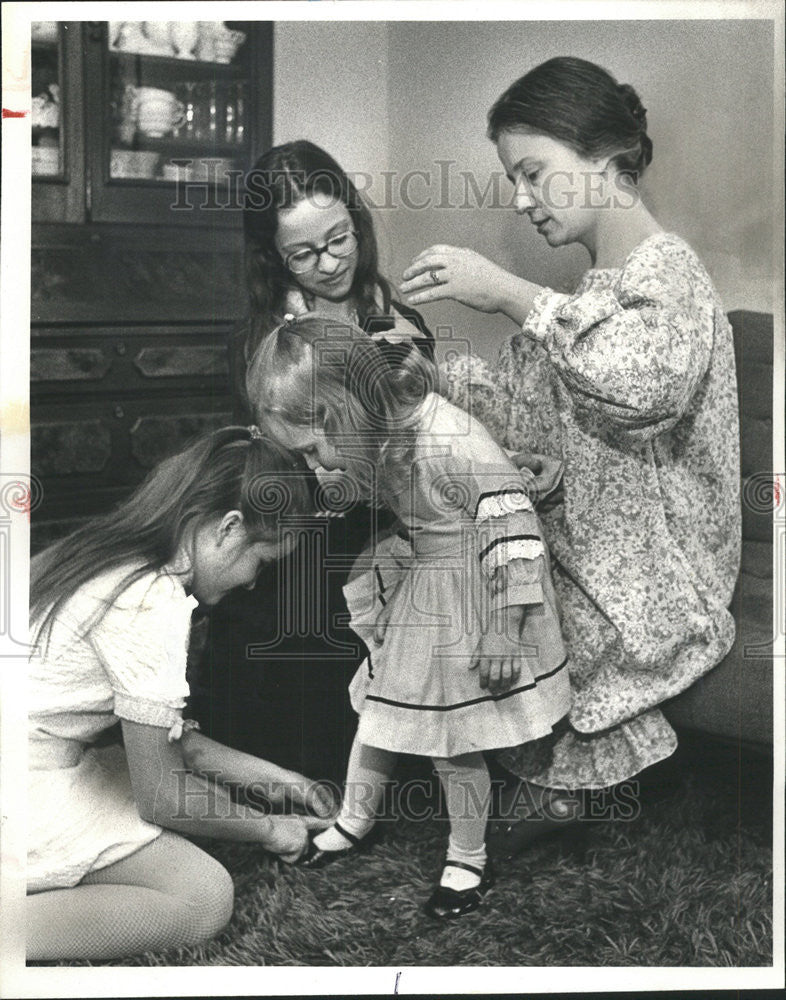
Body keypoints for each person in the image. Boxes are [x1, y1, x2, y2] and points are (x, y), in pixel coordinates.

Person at [400, 56, 741, 850]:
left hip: (665, 562)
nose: (520, 201)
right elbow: (528, 405)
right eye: (513, 179)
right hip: (604, 532)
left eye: (532, 173)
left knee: (515, 580)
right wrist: (429, 375)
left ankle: (567, 783)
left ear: (604, 158)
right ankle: (456, 753)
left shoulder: (671, 271)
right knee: (459, 562)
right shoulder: (588, 295)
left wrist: (507, 291)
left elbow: (641, 387)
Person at [247, 314, 571, 919]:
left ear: (345, 413)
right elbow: (381, 487)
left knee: (454, 739)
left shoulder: (451, 437)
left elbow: (515, 526)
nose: (320, 465)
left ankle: (468, 856)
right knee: (381, 706)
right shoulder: (380, 437)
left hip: (474, 591)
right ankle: (354, 818)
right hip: (427, 572)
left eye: (317, 448)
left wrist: (504, 626)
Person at [27, 427, 334, 961]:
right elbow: (163, 793)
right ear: (230, 528)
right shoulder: (152, 603)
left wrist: (285, 783)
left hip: (36, 750)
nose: (255, 582)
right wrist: (270, 829)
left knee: (122, 773)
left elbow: (171, 747)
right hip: (24, 777)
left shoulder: (104, 554)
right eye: (262, 562)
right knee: (202, 898)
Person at [191, 140, 435, 784]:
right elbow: (255, 471)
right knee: (274, 614)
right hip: (294, 528)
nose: (328, 263)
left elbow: (421, 450)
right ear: (272, 257)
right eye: (303, 253)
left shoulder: (399, 324)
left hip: (381, 529)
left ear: (357, 220)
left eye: (339, 239)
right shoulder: (257, 340)